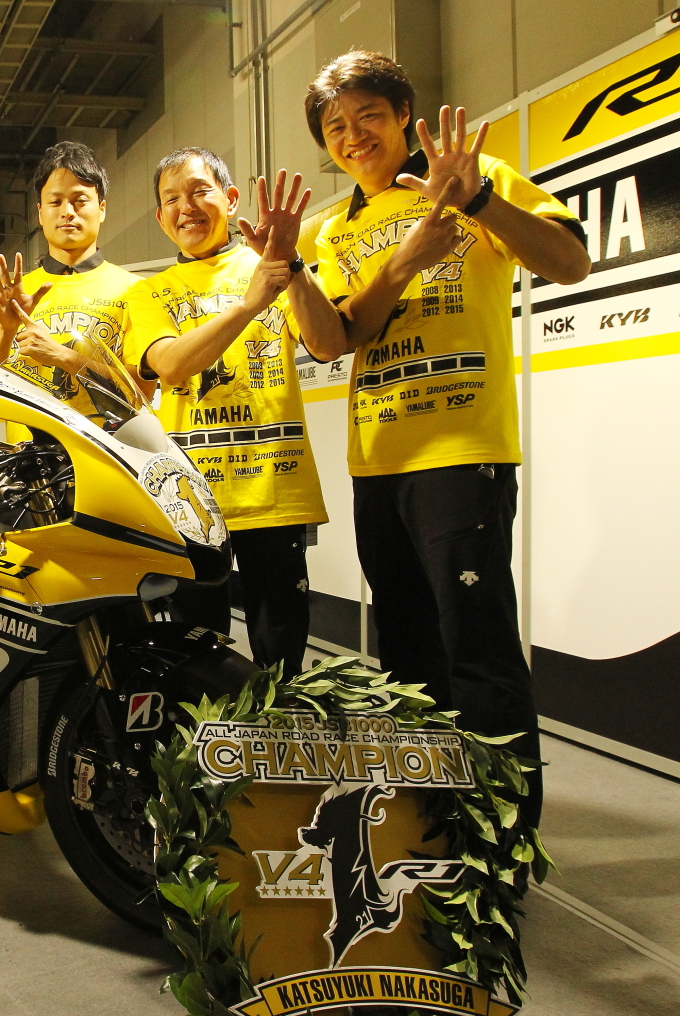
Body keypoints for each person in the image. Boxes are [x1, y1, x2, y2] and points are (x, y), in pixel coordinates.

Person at [303, 51, 591, 825]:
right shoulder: (335, 229)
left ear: (403, 114)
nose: (354, 135)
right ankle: (431, 820)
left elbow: (570, 261)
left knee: (478, 649)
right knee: (407, 659)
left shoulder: (476, 177)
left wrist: (480, 202)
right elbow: (341, 336)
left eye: (368, 115)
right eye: (336, 126)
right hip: (377, 461)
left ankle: (501, 839)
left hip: (463, 454)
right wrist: (400, 264)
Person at [124, 149, 345, 678]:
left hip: (275, 491)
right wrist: (248, 304)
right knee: (196, 657)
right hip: (189, 500)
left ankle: (274, 732)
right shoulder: (149, 292)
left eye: (199, 191)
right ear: (160, 218)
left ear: (230, 198)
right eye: (171, 199)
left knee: (282, 655)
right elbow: (171, 366)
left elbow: (328, 344)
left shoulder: (273, 265)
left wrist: (291, 266)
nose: (186, 207)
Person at [0, 142, 142, 430]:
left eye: (80, 200)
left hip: (111, 452)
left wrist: (63, 356)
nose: (67, 212)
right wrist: (5, 330)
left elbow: (141, 392)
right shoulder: (10, 296)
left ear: (102, 209)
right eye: (55, 202)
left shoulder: (135, 290)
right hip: (30, 456)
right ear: (40, 212)